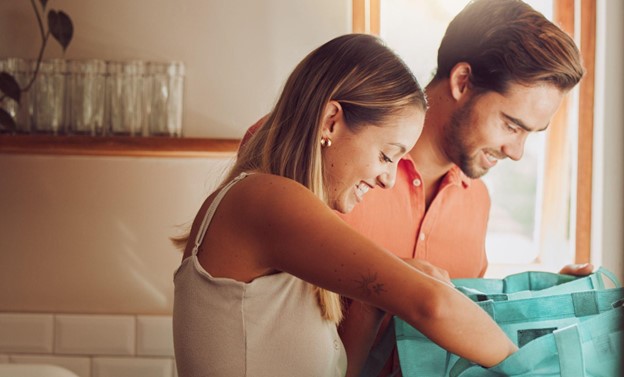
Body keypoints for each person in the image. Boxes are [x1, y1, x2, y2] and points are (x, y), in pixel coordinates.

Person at [240, 1, 589, 376]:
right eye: (511, 125)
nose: (517, 152)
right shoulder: (318, 152)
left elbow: (463, 332)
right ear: (461, 82)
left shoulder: (477, 203)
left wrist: (552, 299)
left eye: (529, 135)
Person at [172, 33, 517, 377]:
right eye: (386, 155)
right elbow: (433, 304)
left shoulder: (283, 225)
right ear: (331, 121)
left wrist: (370, 302)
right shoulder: (265, 199)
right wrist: (532, 368)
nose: (388, 179)